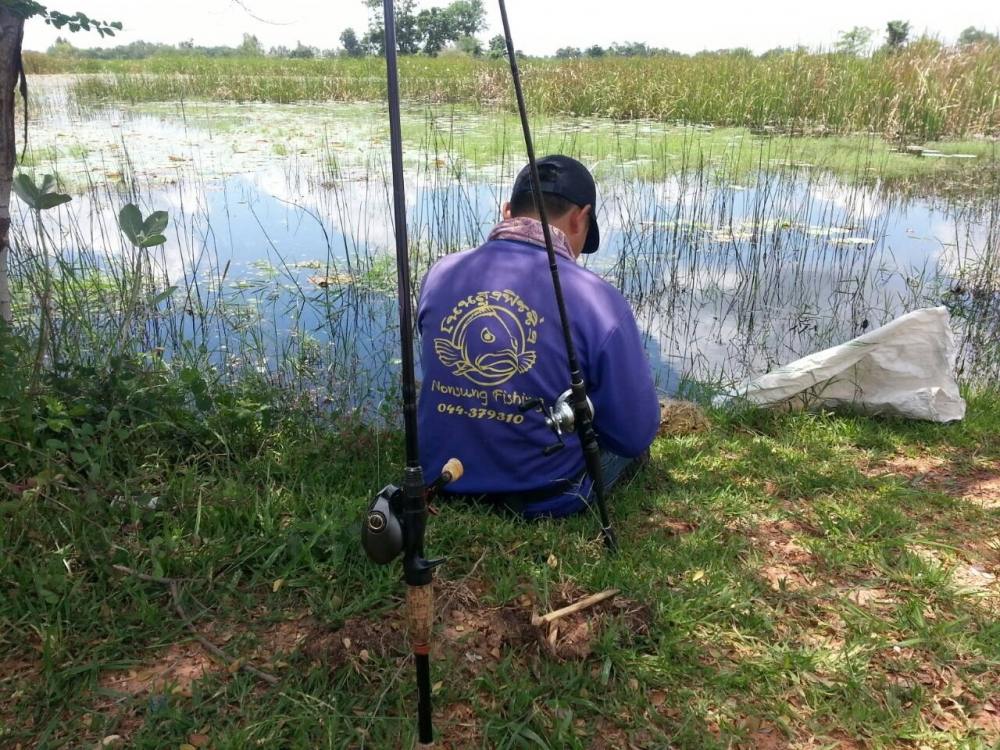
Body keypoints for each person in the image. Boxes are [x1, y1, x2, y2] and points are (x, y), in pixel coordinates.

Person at [416, 155, 658, 519]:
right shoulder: (598, 299)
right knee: (633, 449)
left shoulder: (441, 273)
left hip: (442, 481)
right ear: (580, 217)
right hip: (545, 497)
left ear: (507, 211)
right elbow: (633, 435)